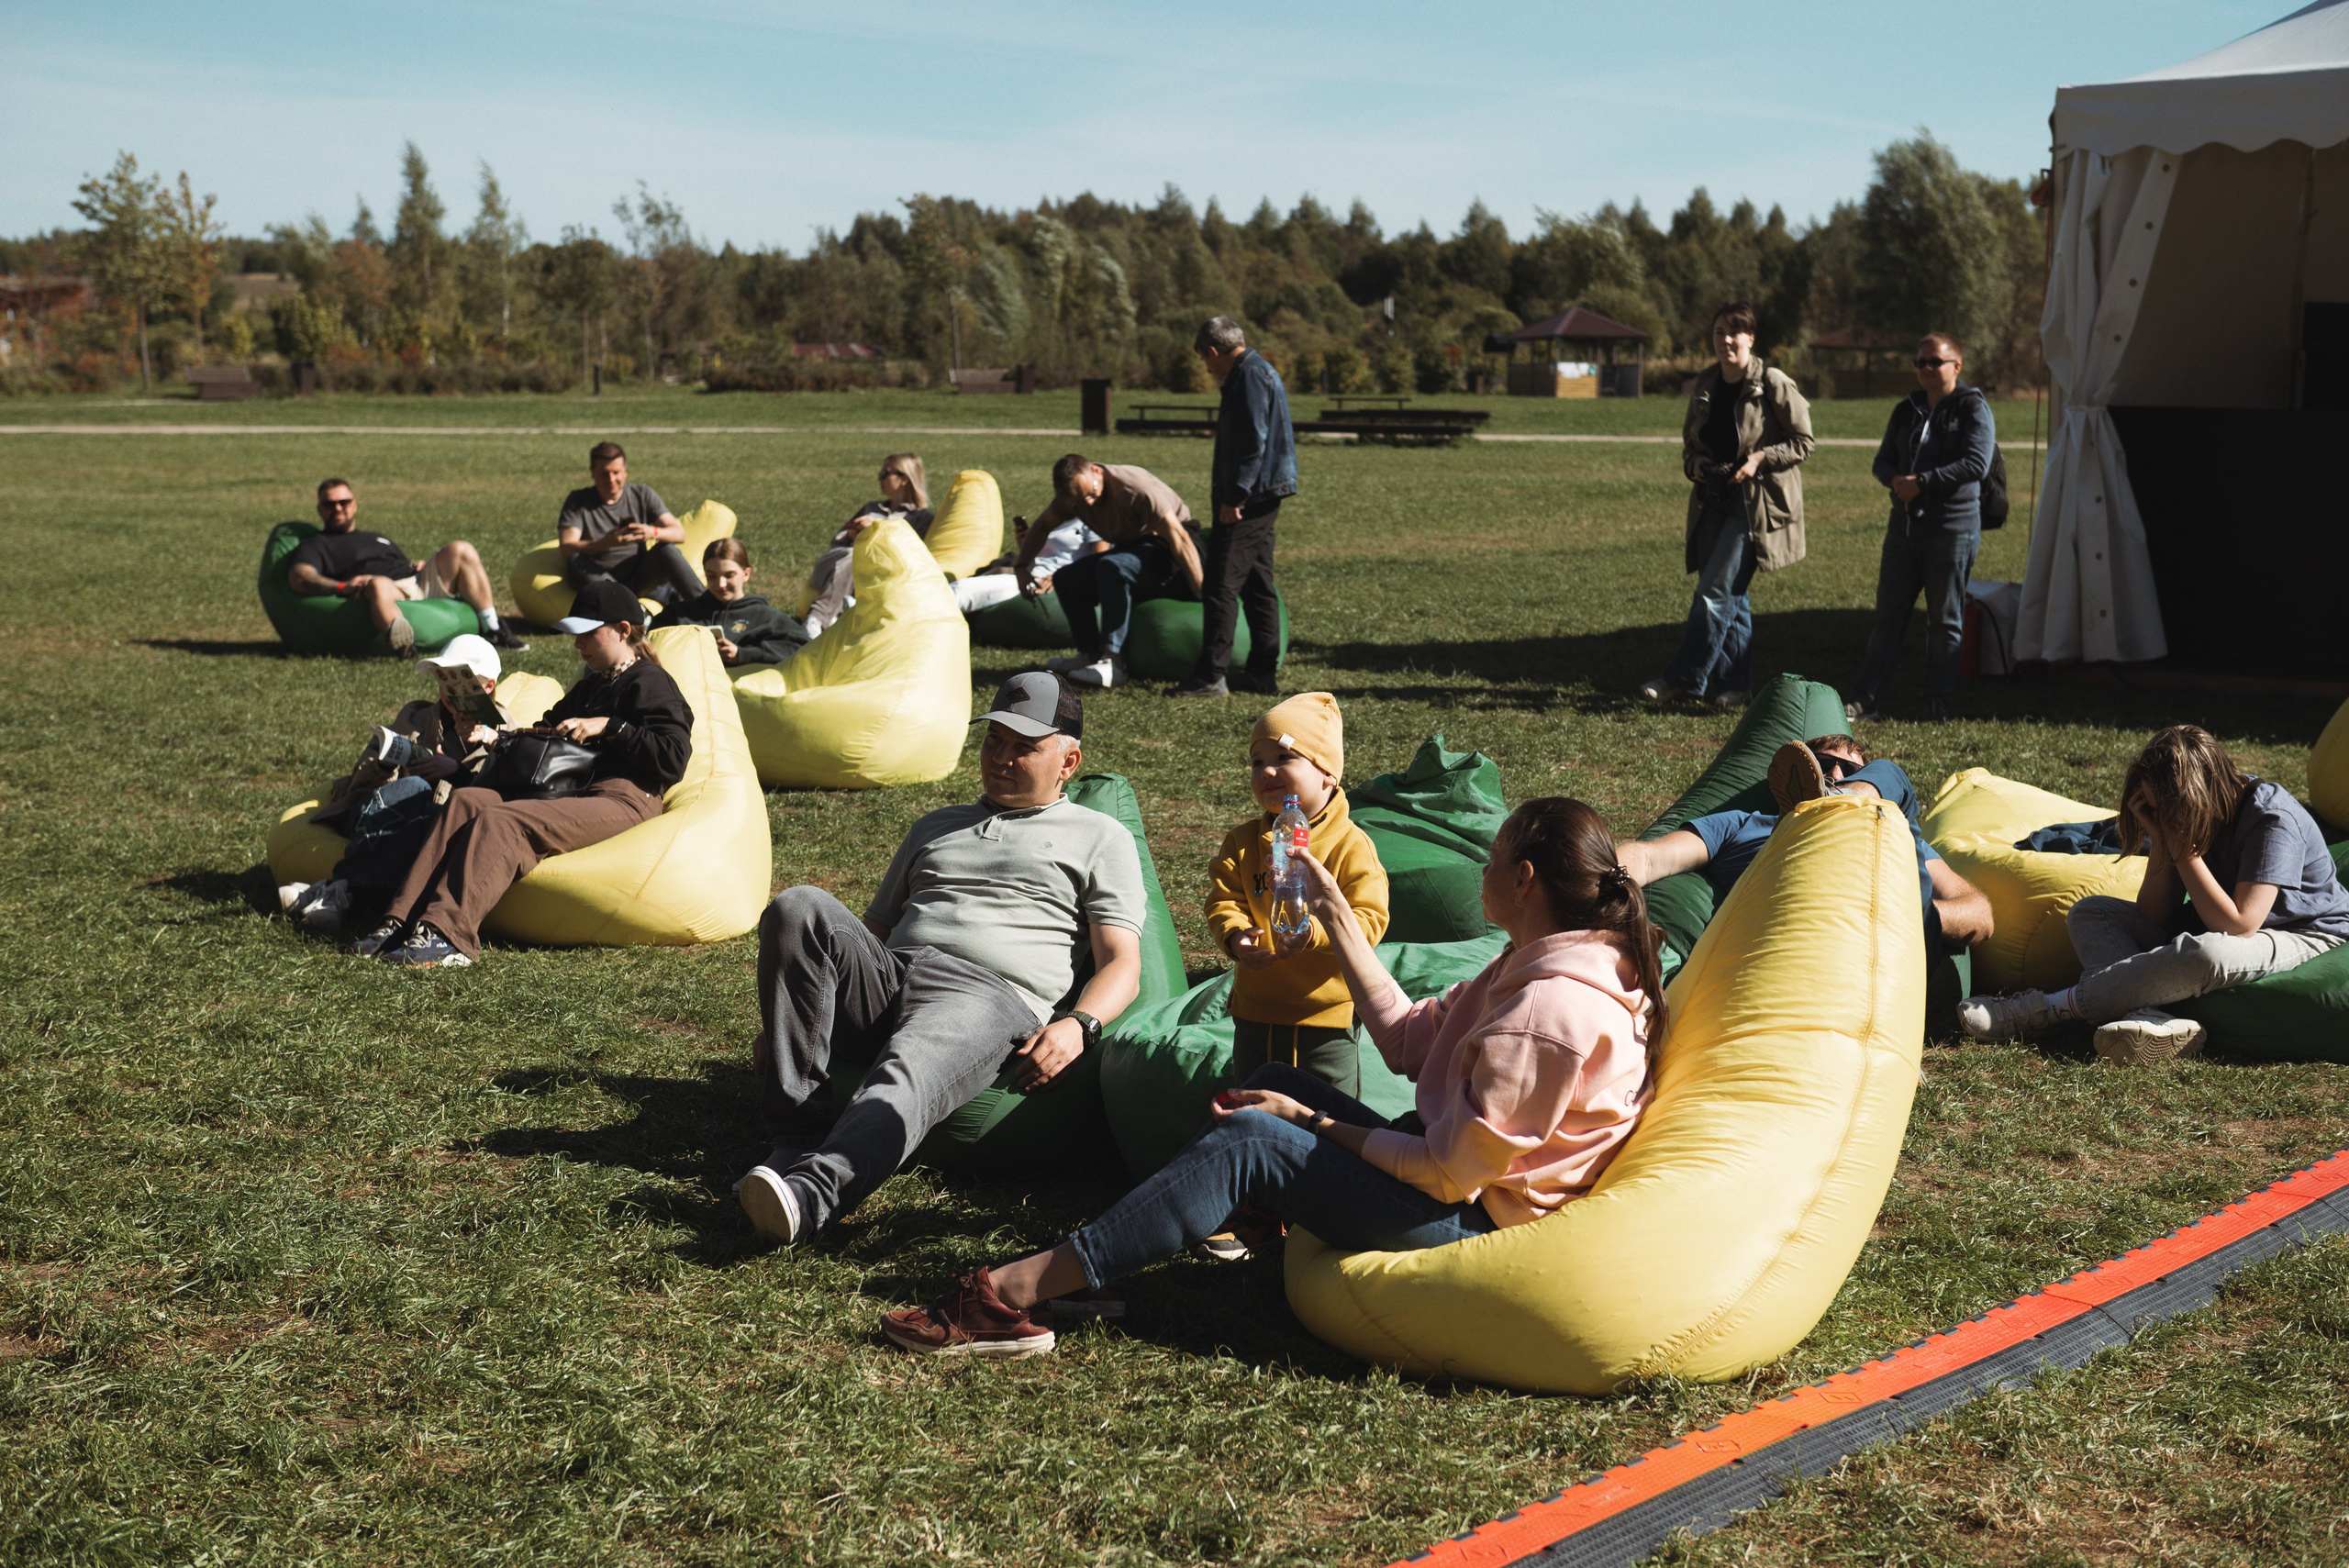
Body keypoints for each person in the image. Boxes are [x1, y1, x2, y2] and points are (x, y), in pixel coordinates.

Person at [876, 795, 1660, 1358]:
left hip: (1477, 1222)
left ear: (1524, 879)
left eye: (1490, 859)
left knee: (1256, 1134)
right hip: (1458, 1173)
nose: (1481, 870)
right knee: (1276, 1077)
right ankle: (1110, 1261)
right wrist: (1337, 915)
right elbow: (1406, 1042)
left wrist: (1312, 1125)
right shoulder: (1547, 963)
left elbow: (1450, 1176)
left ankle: (1013, 1294)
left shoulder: (1547, 1011)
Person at [734, 673, 1149, 1246]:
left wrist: (1079, 1025)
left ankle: (813, 1196)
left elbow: (1123, 962)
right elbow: (868, 932)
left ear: (1068, 761)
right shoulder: (935, 825)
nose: (1000, 759)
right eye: (993, 741)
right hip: (891, 976)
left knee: (908, 1068)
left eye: (1023, 748)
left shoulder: (1100, 836)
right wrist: (792, 1018)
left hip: (988, 994)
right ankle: (795, 1140)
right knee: (799, 904)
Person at [350, 580, 694, 968]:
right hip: (574, 792)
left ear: (623, 630)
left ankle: (448, 936)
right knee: (466, 800)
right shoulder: (591, 686)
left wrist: (611, 726)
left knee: (502, 820)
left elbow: (674, 757)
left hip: (624, 797)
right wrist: (494, 736)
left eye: (586, 633)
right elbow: (546, 731)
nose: (576, 643)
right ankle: (401, 920)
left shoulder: (651, 681)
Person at [1960, 726, 2349, 1064]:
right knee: (2091, 913)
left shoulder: (2271, 818)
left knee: (2207, 952)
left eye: (2169, 812)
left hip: (2304, 930)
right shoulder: (2188, 813)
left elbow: (2239, 925)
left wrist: (2183, 847)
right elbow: (2153, 915)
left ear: (2198, 795)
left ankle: (2046, 1009)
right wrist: (2162, 837)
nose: (2166, 819)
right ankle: (2149, 1018)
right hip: (2225, 922)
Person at [1614, 736, 1993, 958]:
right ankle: (1827, 811)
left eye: (1855, 773)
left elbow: (1980, 915)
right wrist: (1589, 872)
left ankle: (1837, 804)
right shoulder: (1741, 825)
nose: (1838, 771)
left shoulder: (1893, 833)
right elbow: (1649, 858)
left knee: (1892, 778)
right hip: (1795, 935)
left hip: (1884, 935)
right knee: (1890, 778)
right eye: (1823, 764)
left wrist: (1905, 918)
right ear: (1798, 772)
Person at [1207, 693, 1390, 1096]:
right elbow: (1225, 898)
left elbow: (1370, 919)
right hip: (1255, 1007)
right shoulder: (1242, 843)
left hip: (1324, 1013)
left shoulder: (1349, 845)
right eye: (1257, 762)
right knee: (1253, 1097)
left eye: (1284, 758)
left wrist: (1316, 934)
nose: (1267, 771)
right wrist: (1236, 935)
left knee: (1328, 1106)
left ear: (1327, 774)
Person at [278, 632, 518, 935]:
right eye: (442, 678)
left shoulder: (504, 732)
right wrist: (387, 760)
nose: (447, 689)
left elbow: (503, 794)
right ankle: (340, 893)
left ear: (487, 686)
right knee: (415, 787)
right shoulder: (415, 716)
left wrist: (455, 772)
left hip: (432, 831)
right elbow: (361, 783)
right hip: (378, 813)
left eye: (458, 679)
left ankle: (335, 893)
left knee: (430, 819)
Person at [1641, 303, 1813, 709]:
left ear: (1751, 339)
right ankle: (1736, 689)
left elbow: (1803, 441)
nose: (1727, 340)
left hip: (1755, 506)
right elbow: (1690, 446)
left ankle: (1683, 680)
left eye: (1736, 333)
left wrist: (1758, 459)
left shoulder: (1771, 381)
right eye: (1720, 332)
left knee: (1714, 593)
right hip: (1711, 502)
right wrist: (1697, 464)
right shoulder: (1705, 383)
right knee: (1732, 597)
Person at [1845, 334, 1996, 724]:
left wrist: (1923, 482)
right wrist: (1894, 479)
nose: (1926, 369)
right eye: (1920, 363)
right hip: (1904, 530)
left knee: (1943, 619)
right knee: (1888, 617)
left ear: (1956, 367)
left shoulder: (1972, 407)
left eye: (1935, 362)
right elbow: (1881, 461)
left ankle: (1936, 702)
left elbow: (1976, 463)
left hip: (1952, 529)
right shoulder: (1907, 408)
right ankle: (1865, 700)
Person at [1173, 316, 1296, 699]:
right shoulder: (1259, 371)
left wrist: (1235, 496)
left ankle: (1211, 675)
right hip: (1265, 494)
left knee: (1220, 585)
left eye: (1206, 361)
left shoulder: (1247, 377)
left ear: (1213, 351)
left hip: (1248, 498)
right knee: (1259, 584)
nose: (1208, 370)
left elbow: (1251, 443)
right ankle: (1262, 673)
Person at [1016, 456, 1205, 690]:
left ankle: (1113, 662)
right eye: (1080, 501)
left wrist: (1201, 591)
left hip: (1167, 549)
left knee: (1113, 566)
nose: (1089, 503)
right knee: (1066, 578)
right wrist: (1021, 567)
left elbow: (1180, 538)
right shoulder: (1073, 498)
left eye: (1092, 493)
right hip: (1132, 549)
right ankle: (1089, 654)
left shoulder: (1135, 487)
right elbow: (1043, 525)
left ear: (1097, 472)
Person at [285, 478, 525, 654]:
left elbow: (399, 563)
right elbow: (299, 576)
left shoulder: (375, 537)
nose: (338, 508)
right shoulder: (316, 545)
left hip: (416, 580)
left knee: (461, 548)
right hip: (383, 590)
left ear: (354, 504)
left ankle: (493, 628)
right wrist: (342, 586)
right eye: (330, 504)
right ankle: (402, 642)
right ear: (320, 509)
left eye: (344, 502)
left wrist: (416, 565)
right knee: (378, 583)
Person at [556, 441, 704, 613]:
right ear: (592, 473)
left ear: (625, 471)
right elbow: (566, 549)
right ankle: (630, 609)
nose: (611, 479)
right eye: (604, 474)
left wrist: (651, 531)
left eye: (616, 472)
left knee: (667, 550)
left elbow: (679, 534)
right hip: (599, 577)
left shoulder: (641, 494)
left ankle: (708, 607)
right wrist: (605, 543)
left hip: (639, 576)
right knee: (576, 562)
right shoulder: (578, 501)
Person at [805, 454, 932, 638]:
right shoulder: (872, 508)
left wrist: (877, 529)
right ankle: (816, 619)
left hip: (876, 572)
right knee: (852, 555)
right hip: (838, 562)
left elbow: (912, 554)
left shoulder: (922, 518)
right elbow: (837, 542)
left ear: (904, 478)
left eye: (885, 473)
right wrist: (853, 534)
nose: (879, 478)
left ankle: (844, 613)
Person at [651, 539, 808, 667]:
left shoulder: (766, 616)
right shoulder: (678, 614)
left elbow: (804, 647)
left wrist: (743, 654)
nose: (720, 584)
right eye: (712, 576)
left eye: (729, 575)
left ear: (746, 574)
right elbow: (649, 644)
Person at [951, 513, 1105, 616]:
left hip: (1042, 582)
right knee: (962, 587)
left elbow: (1099, 564)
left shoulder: (1091, 520)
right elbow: (1046, 556)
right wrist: (1027, 545)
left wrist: (1063, 577)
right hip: (1028, 573)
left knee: (961, 590)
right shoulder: (1053, 516)